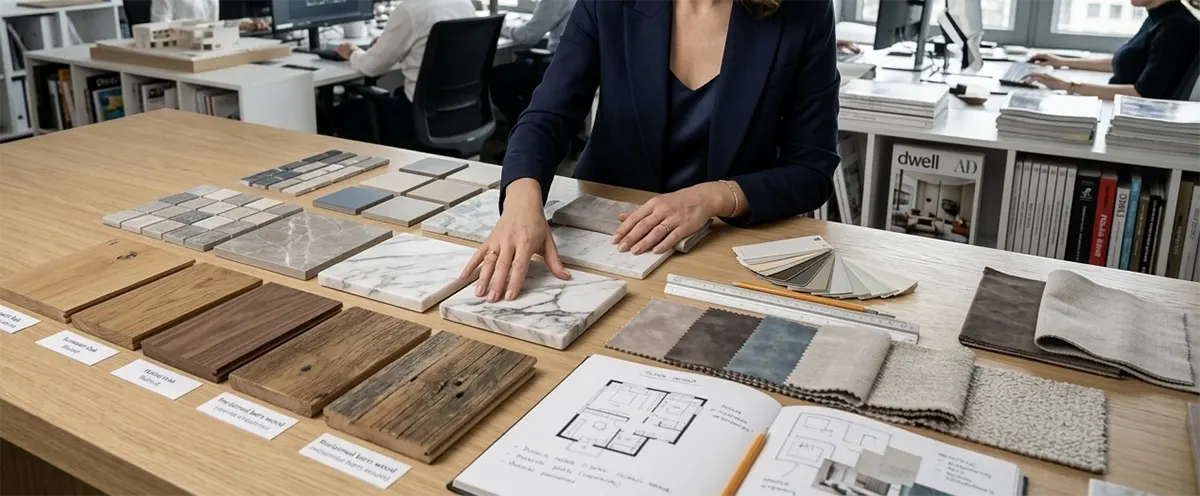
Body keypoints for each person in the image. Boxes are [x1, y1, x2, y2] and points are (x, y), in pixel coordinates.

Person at [459, 0, 841, 301]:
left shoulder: (804, 11)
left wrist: (715, 197)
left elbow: (812, 167)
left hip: (724, 246)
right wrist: (521, 202)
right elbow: (546, 118)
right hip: (608, 237)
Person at [333, 0, 477, 145]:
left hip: (418, 118)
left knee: (347, 111)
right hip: (462, 111)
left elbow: (371, 67)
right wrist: (389, 42)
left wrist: (352, 52)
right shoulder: (464, 3)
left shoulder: (409, 10)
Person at [1024, 0, 1200, 100]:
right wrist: (1062, 62)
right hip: (1114, 105)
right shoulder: (1161, 17)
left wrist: (1068, 86)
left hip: (1127, 117)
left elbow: (1142, 93)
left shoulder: (1175, 28)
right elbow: (1127, 62)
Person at [489, 0, 578, 123]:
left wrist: (501, 26)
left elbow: (528, 36)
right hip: (574, 66)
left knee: (495, 79)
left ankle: (526, 125)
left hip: (556, 67)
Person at [150, 0, 269, 31]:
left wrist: (243, 24)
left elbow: (213, 25)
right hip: (182, 53)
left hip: (209, 49)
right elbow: (159, 29)